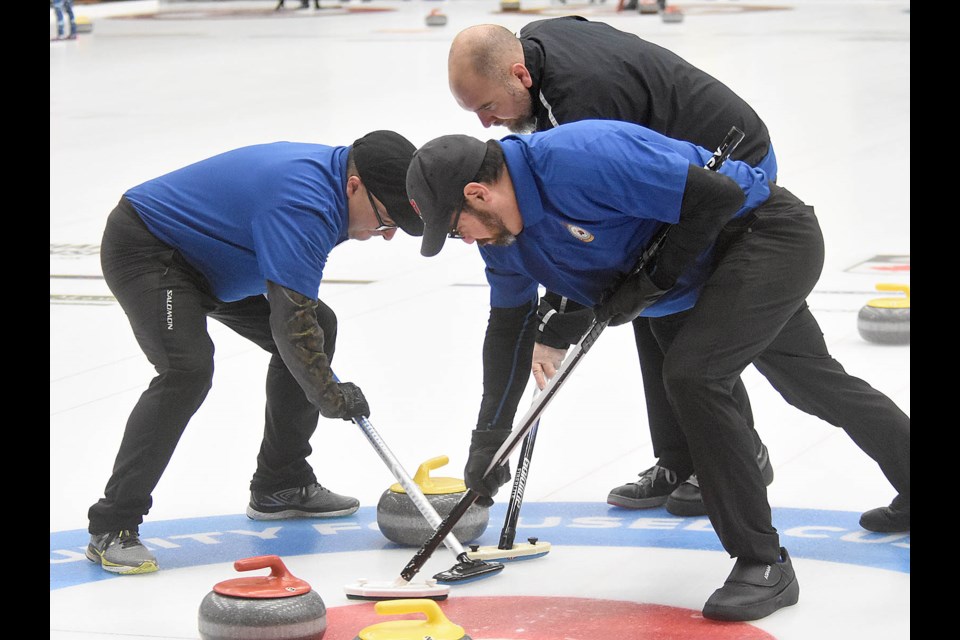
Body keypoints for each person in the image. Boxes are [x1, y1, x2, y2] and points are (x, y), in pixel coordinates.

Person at [404, 120, 910, 621]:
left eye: (454, 228)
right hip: (693, 282)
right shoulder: (506, 245)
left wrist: (649, 282)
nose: (465, 241)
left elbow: (718, 196)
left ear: (477, 194)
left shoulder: (581, 156)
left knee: (695, 377)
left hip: (764, 235)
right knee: (812, 382)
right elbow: (510, 331)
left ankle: (763, 562)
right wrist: (489, 436)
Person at [447, 17, 778, 518]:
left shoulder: (579, 109)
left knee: (674, 307)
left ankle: (739, 450)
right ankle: (678, 458)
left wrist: (559, 324)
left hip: (729, 168)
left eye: (488, 107)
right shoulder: (533, 47)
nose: (486, 126)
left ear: (521, 74)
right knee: (645, 304)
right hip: (669, 175)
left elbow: (587, 239)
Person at [86, 130, 423, 575]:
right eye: (385, 221)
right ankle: (112, 525)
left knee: (319, 326)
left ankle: (280, 484)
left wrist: (323, 384)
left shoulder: (341, 184)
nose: (386, 236)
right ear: (354, 186)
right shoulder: (304, 204)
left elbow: (300, 323)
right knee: (185, 369)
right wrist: (330, 396)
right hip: (152, 249)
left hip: (217, 258)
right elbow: (291, 325)